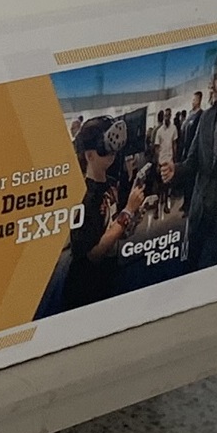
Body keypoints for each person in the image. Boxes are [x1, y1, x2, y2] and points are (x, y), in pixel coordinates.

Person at [163, 40, 217, 271]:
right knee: (189, 269)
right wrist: (175, 169)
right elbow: (192, 162)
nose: (211, 83)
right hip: (199, 213)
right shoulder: (206, 117)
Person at [59, 115, 145, 310]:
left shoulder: (111, 184)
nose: (111, 153)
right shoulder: (83, 197)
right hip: (85, 288)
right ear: (89, 155)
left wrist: (133, 215)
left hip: (109, 275)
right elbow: (93, 254)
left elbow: (116, 227)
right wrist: (128, 212)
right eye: (104, 148)